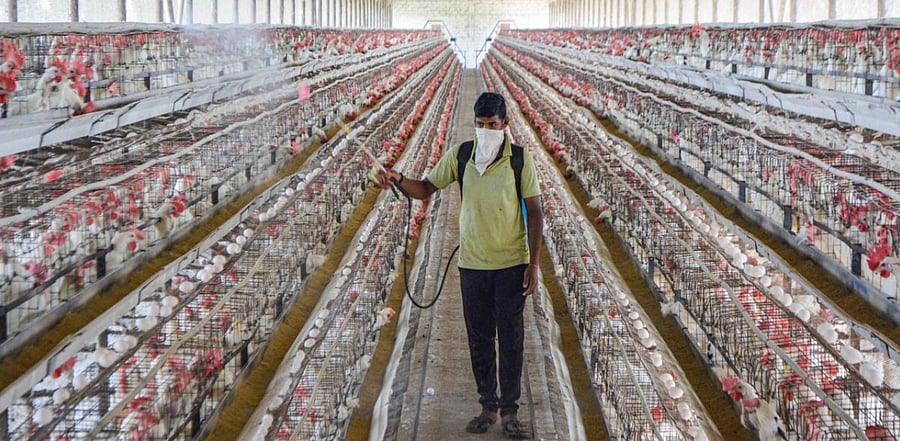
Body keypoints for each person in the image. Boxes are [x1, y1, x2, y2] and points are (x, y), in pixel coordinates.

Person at [375, 92, 543, 439]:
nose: (485, 130)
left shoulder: (520, 161)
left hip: (512, 264)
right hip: (473, 264)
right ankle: (488, 406)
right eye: (480, 125)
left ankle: (511, 410)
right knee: (479, 337)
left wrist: (534, 263)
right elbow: (424, 189)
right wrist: (398, 178)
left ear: (505, 125)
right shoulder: (461, 155)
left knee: (511, 338)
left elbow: (536, 211)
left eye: (492, 125)